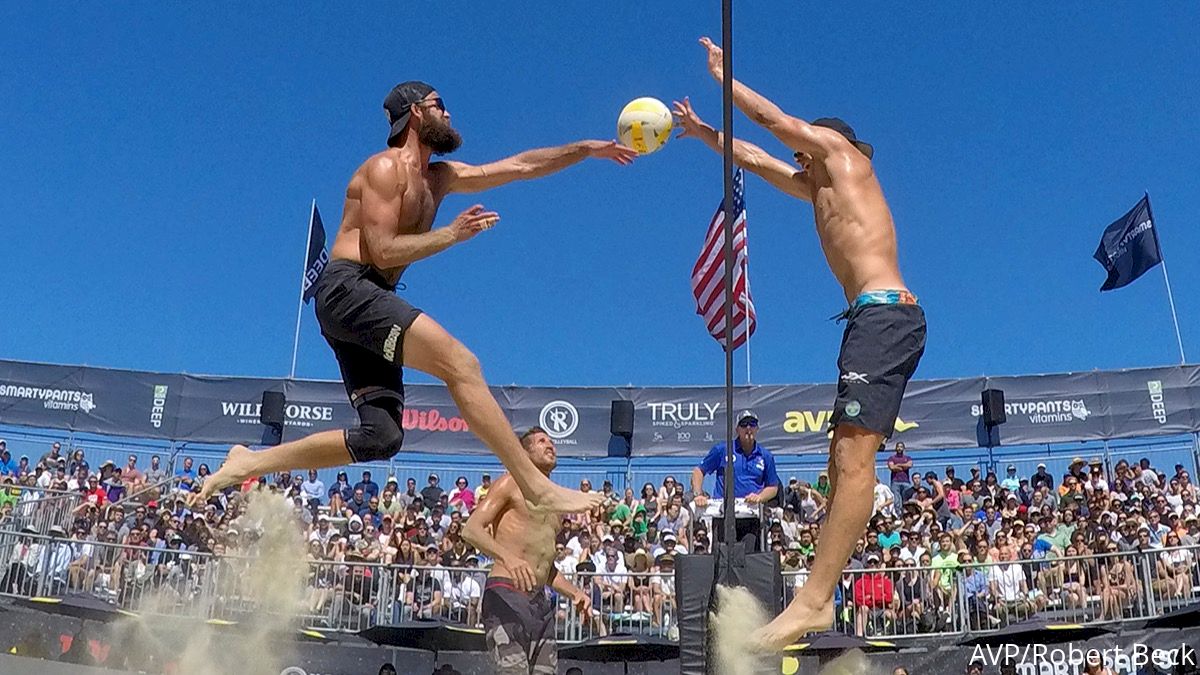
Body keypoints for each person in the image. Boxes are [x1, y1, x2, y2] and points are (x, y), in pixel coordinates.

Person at [197, 82, 635, 514]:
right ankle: (534, 486)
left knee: (382, 437)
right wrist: (450, 235)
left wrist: (584, 149)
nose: (448, 113)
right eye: (439, 105)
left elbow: (519, 166)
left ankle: (251, 462)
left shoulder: (440, 178)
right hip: (347, 288)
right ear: (416, 113)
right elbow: (383, 248)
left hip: (368, 299)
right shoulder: (385, 169)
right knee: (461, 364)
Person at [675, 38, 926, 649]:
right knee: (839, 467)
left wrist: (722, 77)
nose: (799, 156)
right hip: (868, 323)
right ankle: (815, 600)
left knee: (851, 461)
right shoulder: (818, 188)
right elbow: (755, 156)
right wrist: (703, 130)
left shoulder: (845, 160)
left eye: (806, 148)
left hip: (886, 317)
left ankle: (814, 603)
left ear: (828, 144)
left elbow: (774, 121)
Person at [462, 427, 591, 675]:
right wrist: (508, 558)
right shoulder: (510, 483)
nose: (551, 445)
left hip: (539, 600)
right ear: (524, 453)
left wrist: (576, 593)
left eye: (552, 441)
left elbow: (545, 567)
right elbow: (471, 530)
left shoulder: (554, 505)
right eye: (542, 441)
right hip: (506, 591)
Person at [691, 410, 779, 548]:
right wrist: (698, 494)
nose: (748, 428)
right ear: (737, 429)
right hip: (723, 515)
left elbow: (773, 487)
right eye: (744, 424)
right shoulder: (722, 450)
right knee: (721, 560)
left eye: (752, 424)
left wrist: (759, 497)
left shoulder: (766, 456)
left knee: (749, 559)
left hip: (751, 515)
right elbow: (698, 471)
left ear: (757, 428)